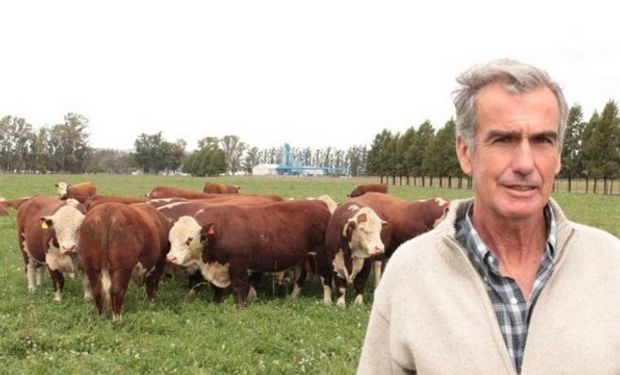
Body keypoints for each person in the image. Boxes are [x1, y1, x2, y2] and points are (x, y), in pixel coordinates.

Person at [357, 59, 620, 374]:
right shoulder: (410, 272)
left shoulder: (611, 265)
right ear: (466, 153)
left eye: (542, 141)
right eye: (504, 140)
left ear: (559, 156)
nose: (525, 163)